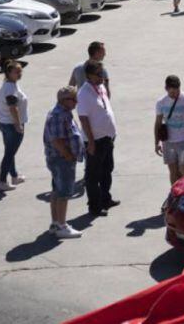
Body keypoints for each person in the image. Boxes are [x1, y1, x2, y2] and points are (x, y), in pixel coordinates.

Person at [77, 61, 118, 217]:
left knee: (107, 170)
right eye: (99, 74)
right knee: (93, 175)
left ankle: (105, 198)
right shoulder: (84, 93)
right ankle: (94, 206)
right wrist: (91, 142)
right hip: (95, 141)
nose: (102, 76)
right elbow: (84, 119)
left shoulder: (100, 87)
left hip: (107, 137)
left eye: (103, 73)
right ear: (89, 76)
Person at [43, 86, 84, 238]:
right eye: (73, 99)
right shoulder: (59, 115)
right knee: (63, 193)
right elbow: (57, 140)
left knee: (56, 190)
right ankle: (62, 225)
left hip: (60, 159)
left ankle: (55, 223)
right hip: (61, 160)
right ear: (63, 100)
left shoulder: (63, 113)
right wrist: (68, 156)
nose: (76, 102)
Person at [154, 75, 184, 184]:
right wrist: (156, 142)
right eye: (172, 92)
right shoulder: (161, 102)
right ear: (166, 89)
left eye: (177, 91)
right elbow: (158, 123)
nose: (175, 94)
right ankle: (176, 195)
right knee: (173, 171)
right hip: (168, 141)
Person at [0, 60, 28, 192]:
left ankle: (14, 176)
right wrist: (18, 125)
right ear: (9, 73)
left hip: (5, 124)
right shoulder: (10, 88)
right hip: (11, 126)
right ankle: (2, 181)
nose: (20, 73)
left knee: (10, 152)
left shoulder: (10, 84)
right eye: (17, 72)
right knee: (9, 154)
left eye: (20, 71)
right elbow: (13, 108)